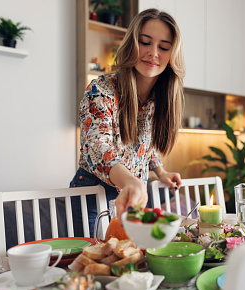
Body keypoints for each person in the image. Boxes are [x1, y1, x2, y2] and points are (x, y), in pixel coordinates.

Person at [70, 8, 184, 236]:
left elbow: (145, 144)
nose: (153, 53)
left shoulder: (159, 98)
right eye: (145, 42)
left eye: (163, 47)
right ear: (131, 43)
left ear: (172, 56)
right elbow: (98, 147)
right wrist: (131, 181)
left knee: (133, 265)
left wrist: (160, 172)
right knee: (97, 266)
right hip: (93, 195)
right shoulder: (100, 89)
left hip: (134, 195)